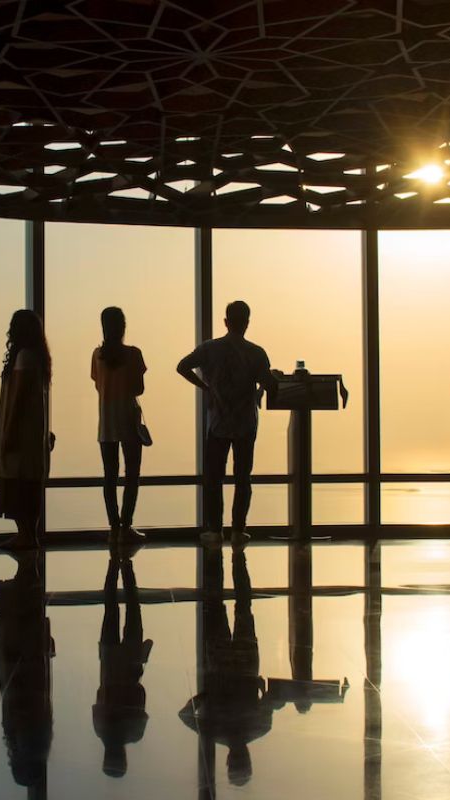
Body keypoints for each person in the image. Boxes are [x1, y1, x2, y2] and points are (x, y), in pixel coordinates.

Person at [177, 300, 272, 547]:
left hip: (218, 423)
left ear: (226, 322)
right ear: (247, 323)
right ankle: (239, 530)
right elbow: (269, 383)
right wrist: (261, 388)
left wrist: (206, 388)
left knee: (213, 478)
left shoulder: (209, 349)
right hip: (245, 423)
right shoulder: (257, 353)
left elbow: (182, 367)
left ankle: (214, 530)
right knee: (243, 477)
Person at [179, 548, 274, 788]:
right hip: (220, 664)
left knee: (243, 606)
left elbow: (269, 700)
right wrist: (202, 698)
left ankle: (236, 556)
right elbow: (185, 715)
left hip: (246, 664)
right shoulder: (215, 733)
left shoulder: (261, 728)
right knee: (217, 606)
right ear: (230, 761)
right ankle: (216, 555)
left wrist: (261, 691)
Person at [0, 551, 54, 789]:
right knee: (20, 613)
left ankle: (27, 562)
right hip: (20, 664)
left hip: (27, 664)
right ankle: (26, 559)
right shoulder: (22, 739)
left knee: (26, 609)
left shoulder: (38, 739)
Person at [0, 309, 53, 551]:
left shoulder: (23, 358)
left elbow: (17, 399)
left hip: (20, 431)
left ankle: (25, 534)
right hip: (32, 432)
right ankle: (29, 534)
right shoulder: (38, 359)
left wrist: (8, 432)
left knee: (17, 481)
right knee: (30, 483)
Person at [93, 553, 153, 777]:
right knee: (111, 608)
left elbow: (140, 694)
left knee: (132, 608)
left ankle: (124, 565)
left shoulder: (135, 733)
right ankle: (115, 564)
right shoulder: (101, 729)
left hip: (131, 662)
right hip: (110, 662)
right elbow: (101, 693)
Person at [92, 307, 147, 543]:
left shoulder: (97, 355)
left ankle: (114, 529)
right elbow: (139, 389)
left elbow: (97, 383)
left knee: (110, 476)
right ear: (123, 327)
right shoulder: (134, 354)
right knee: (131, 474)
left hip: (106, 421)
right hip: (128, 419)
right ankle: (127, 527)